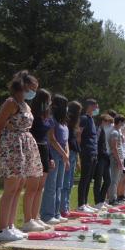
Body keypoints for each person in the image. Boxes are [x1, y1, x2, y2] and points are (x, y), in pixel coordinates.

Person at [0, 71, 43, 241]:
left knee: (19, 186)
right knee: (11, 187)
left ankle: (11, 225)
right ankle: (2, 229)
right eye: (32, 88)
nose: (34, 91)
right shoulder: (11, 103)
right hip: (12, 146)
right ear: (23, 86)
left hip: (25, 146)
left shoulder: (26, 105)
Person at [27, 89, 57, 231]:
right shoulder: (32, 115)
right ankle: (28, 220)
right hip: (34, 149)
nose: (50, 102)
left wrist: (50, 157)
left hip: (44, 150)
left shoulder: (47, 117)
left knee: (40, 187)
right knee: (32, 187)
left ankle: (36, 217)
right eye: (48, 99)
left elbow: (47, 139)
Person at [39, 94, 70, 224]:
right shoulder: (52, 120)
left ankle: (56, 213)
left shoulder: (64, 122)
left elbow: (66, 140)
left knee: (59, 185)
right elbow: (52, 139)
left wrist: (66, 155)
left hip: (63, 155)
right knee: (51, 185)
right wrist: (63, 154)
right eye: (65, 105)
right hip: (54, 153)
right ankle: (47, 214)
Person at [77, 99, 99, 213]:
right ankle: (80, 204)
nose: (97, 109)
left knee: (89, 178)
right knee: (84, 178)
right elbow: (79, 134)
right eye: (96, 106)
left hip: (93, 152)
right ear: (90, 106)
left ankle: (85, 203)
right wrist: (79, 151)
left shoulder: (92, 119)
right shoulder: (84, 118)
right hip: (86, 152)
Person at [63, 101, 82, 213]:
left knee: (69, 182)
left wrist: (78, 159)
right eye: (78, 111)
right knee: (65, 182)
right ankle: (63, 208)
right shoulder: (67, 121)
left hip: (74, 152)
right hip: (68, 152)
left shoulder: (75, 124)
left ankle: (66, 206)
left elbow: (77, 142)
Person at [93, 114, 113, 208]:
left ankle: (102, 200)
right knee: (98, 180)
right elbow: (97, 144)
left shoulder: (103, 130)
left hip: (105, 157)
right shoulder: (98, 129)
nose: (109, 124)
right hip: (100, 157)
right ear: (103, 121)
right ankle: (98, 202)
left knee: (108, 180)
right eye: (108, 122)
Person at [107, 115, 125, 205]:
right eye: (123, 123)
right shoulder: (114, 132)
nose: (123, 125)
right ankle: (112, 199)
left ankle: (115, 197)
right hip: (115, 158)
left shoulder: (118, 132)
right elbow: (114, 148)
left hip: (119, 157)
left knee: (117, 179)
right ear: (119, 122)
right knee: (114, 179)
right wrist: (118, 160)